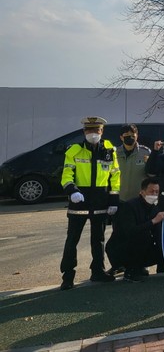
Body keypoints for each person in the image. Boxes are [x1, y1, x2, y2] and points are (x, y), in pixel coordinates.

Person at [59, 116, 120, 290]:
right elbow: (66, 175)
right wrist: (72, 191)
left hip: (101, 201)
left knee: (98, 239)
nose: (93, 133)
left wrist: (114, 200)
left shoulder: (109, 150)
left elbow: (115, 175)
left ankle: (98, 271)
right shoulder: (74, 151)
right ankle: (68, 276)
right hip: (79, 200)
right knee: (72, 239)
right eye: (90, 130)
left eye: (96, 130)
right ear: (84, 131)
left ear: (102, 131)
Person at [106, 177, 164, 282]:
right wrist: (153, 221)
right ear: (142, 192)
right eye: (151, 191)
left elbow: (157, 233)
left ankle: (139, 267)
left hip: (138, 246)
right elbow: (130, 231)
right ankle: (130, 271)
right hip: (119, 248)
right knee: (143, 235)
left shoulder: (154, 208)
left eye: (157, 192)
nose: (154, 194)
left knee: (161, 246)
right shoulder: (129, 206)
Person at [115, 124, 151, 201]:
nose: (130, 137)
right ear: (121, 137)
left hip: (139, 199)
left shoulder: (145, 152)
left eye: (132, 135)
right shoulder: (115, 153)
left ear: (137, 136)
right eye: (127, 135)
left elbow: (152, 174)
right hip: (119, 198)